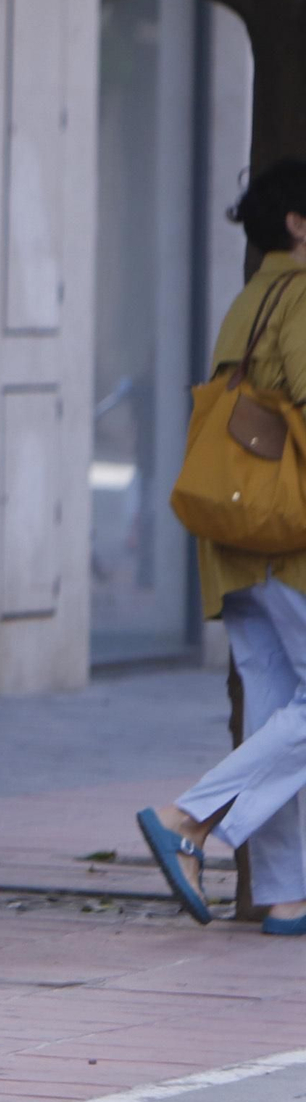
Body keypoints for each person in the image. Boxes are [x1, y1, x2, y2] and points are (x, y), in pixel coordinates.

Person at [138, 159, 306, 936]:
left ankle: (283, 895)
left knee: (276, 714)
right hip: (289, 541)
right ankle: (188, 818)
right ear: (298, 225)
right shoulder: (303, 295)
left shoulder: (246, 302)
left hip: (237, 542)